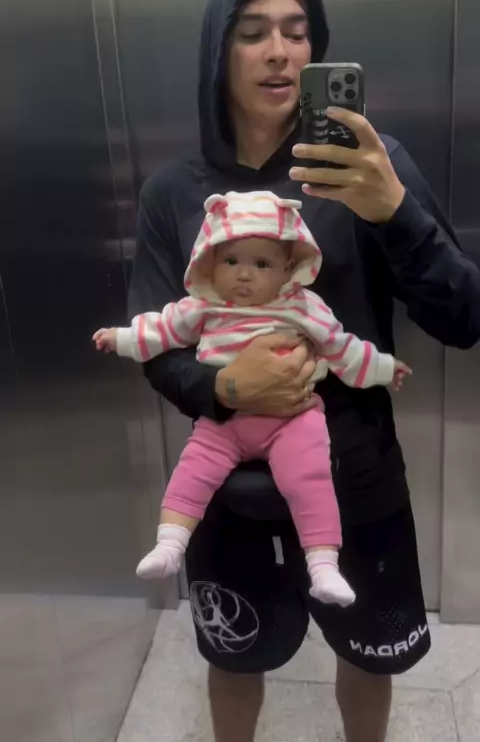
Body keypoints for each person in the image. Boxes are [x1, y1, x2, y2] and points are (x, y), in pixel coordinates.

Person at [128, 0, 480, 742]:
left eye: (297, 33)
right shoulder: (174, 192)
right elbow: (155, 344)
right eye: (252, 33)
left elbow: (463, 317)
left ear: (317, 50)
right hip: (227, 482)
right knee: (233, 656)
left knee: (370, 655)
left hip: (359, 476)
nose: (279, 52)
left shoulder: (372, 168)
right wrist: (224, 383)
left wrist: (395, 212)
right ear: (218, 53)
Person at [94, 190, 410, 608]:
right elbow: (161, 330)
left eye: (261, 264)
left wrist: (384, 368)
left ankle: (323, 566)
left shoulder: (304, 308)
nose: (244, 275)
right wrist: (121, 338)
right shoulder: (204, 306)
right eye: (231, 261)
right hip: (226, 418)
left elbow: (343, 349)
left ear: (288, 269)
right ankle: (169, 545)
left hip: (293, 420)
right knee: (193, 469)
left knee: (310, 479)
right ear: (210, 261)